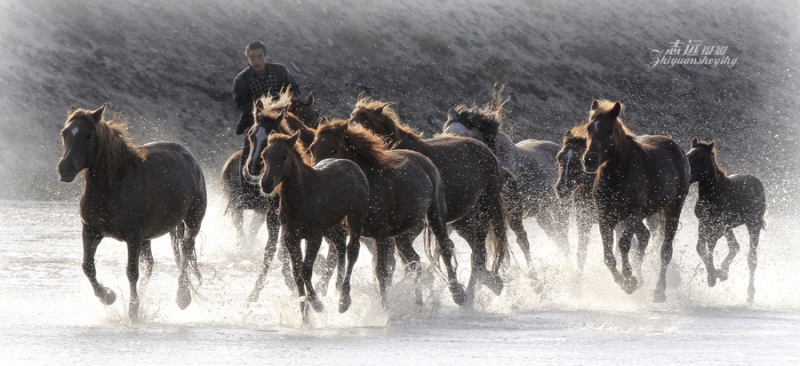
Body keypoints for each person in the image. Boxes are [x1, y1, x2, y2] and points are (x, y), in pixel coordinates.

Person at [232, 41, 300, 208]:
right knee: (247, 152)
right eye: (252, 58)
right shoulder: (242, 79)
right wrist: (261, 109)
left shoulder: (280, 71)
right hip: (256, 121)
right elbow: (240, 103)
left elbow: (295, 90)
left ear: (265, 56)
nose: (257, 61)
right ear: (248, 58)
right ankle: (246, 195)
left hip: (281, 119)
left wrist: (283, 104)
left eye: (260, 57)